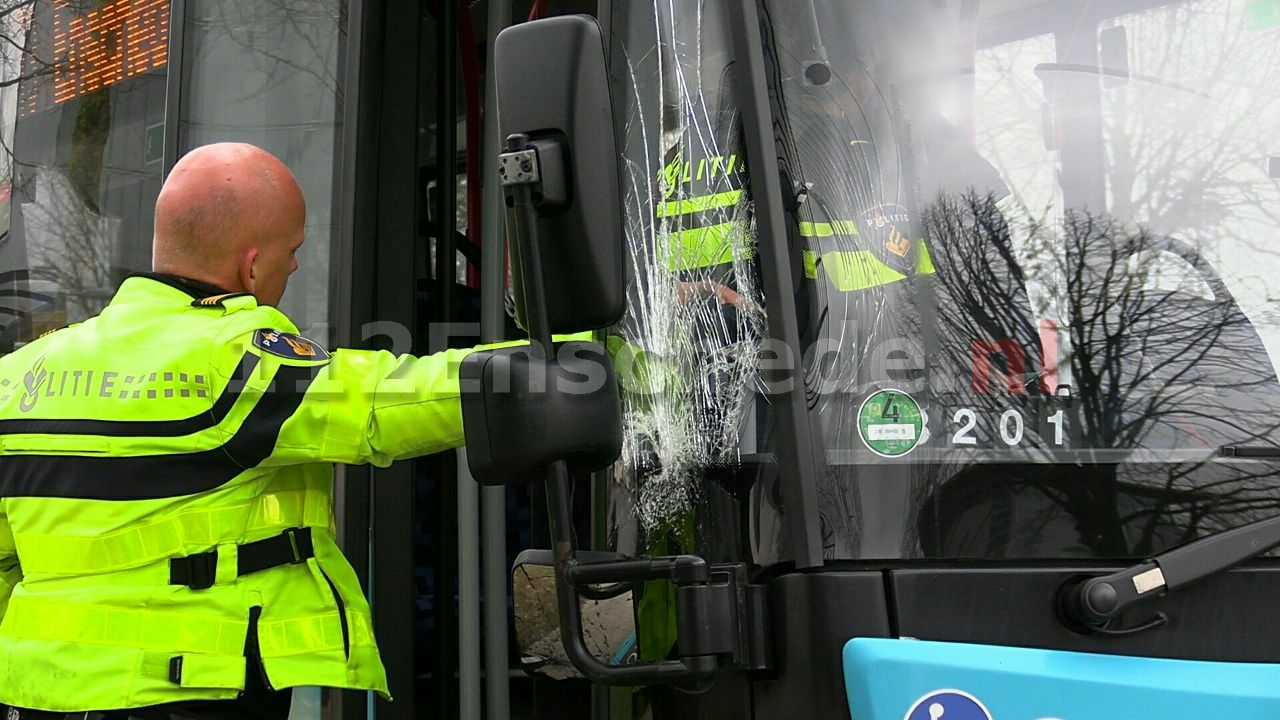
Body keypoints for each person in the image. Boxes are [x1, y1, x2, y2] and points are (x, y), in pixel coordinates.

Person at [0, 143, 486, 719]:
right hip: (187, 689)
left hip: (33, 694)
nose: (297, 266)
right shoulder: (231, 354)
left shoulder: (18, 374)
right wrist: (569, 369)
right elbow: (395, 400)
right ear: (251, 265)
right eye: (294, 249)